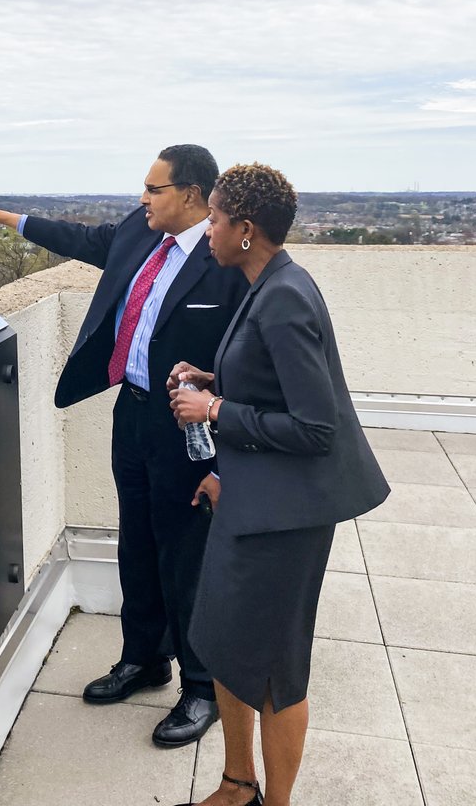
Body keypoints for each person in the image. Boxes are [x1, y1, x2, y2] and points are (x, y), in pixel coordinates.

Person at [0, 144, 248, 748]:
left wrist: (226, 436)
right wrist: (9, 218)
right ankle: (144, 659)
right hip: (134, 413)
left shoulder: (227, 262)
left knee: (186, 554)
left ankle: (201, 688)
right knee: (136, 542)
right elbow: (82, 239)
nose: (143, 198)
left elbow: (251, 356)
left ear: (192, 196)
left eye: (154, 189)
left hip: (189, 429)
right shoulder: (139, 236)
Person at [167, 164, 390, 806]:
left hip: (285, 521)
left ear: (245, 229)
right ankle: (238, 785)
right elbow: (273, 385)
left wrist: (213, 414)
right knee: (222, 644)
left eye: (213, 218)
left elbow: (316, 427)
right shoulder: (267, 282)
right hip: (251, 501)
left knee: (274, 671)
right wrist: (218, 385)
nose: (206, 229)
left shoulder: (286, 294)